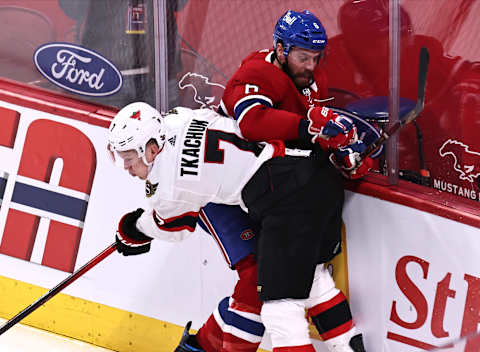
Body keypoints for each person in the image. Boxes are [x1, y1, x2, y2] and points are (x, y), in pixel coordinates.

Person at [107, 101, 370, 351]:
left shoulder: (168, 187)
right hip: (316, 170)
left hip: (284, 197)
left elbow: (173, 228)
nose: (127, 167)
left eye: (129, 157)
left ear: (152, 148)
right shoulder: (179, 117)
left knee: (279, 310)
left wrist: (132, 228)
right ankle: (347, 346)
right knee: (313, 280)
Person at [217, 9, 371, 351]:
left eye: (317, 57)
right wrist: (311, 130)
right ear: (281, 49)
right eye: (303, 57)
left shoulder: (310, 80)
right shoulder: (257, 72)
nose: (311, 66)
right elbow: (252, 122)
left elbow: (309, 136)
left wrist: (343, 151)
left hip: (282, 192)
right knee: (268, 286)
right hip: (227, 191)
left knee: (311, 277)